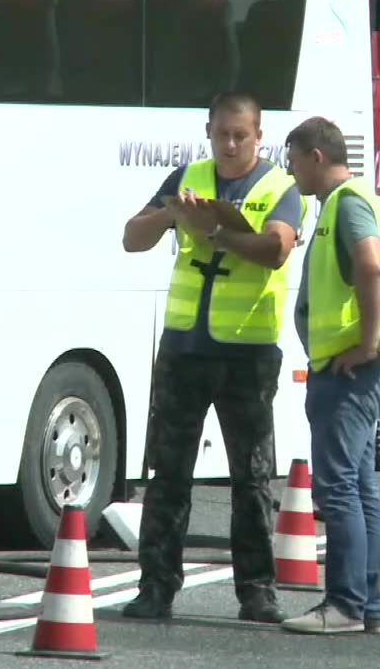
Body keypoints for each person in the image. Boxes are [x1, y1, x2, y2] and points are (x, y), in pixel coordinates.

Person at [119, 92, 305, 624]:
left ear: (258, 136)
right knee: (168, 474)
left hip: (246, 353)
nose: (229, 144)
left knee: (251, 478)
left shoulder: (279, 186)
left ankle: (257, 591)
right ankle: (156, 587)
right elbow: (132, 238)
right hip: (184, 349)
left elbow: (276, 250)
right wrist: (167, 217)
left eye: (240, 135)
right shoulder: (188, 176)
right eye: (221, 133)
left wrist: (217, 233)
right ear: (208, 130)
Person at [280, 116, 380, 635]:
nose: (292, 176)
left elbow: (372, 267)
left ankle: (345, 605)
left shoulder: (348, 204)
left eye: (293, 163)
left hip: (351, 367)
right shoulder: (352, 201)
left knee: (336, 487)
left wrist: (365, 341)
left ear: (316, 157)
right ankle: (368, 607)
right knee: (358, 486)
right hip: (359, 364)